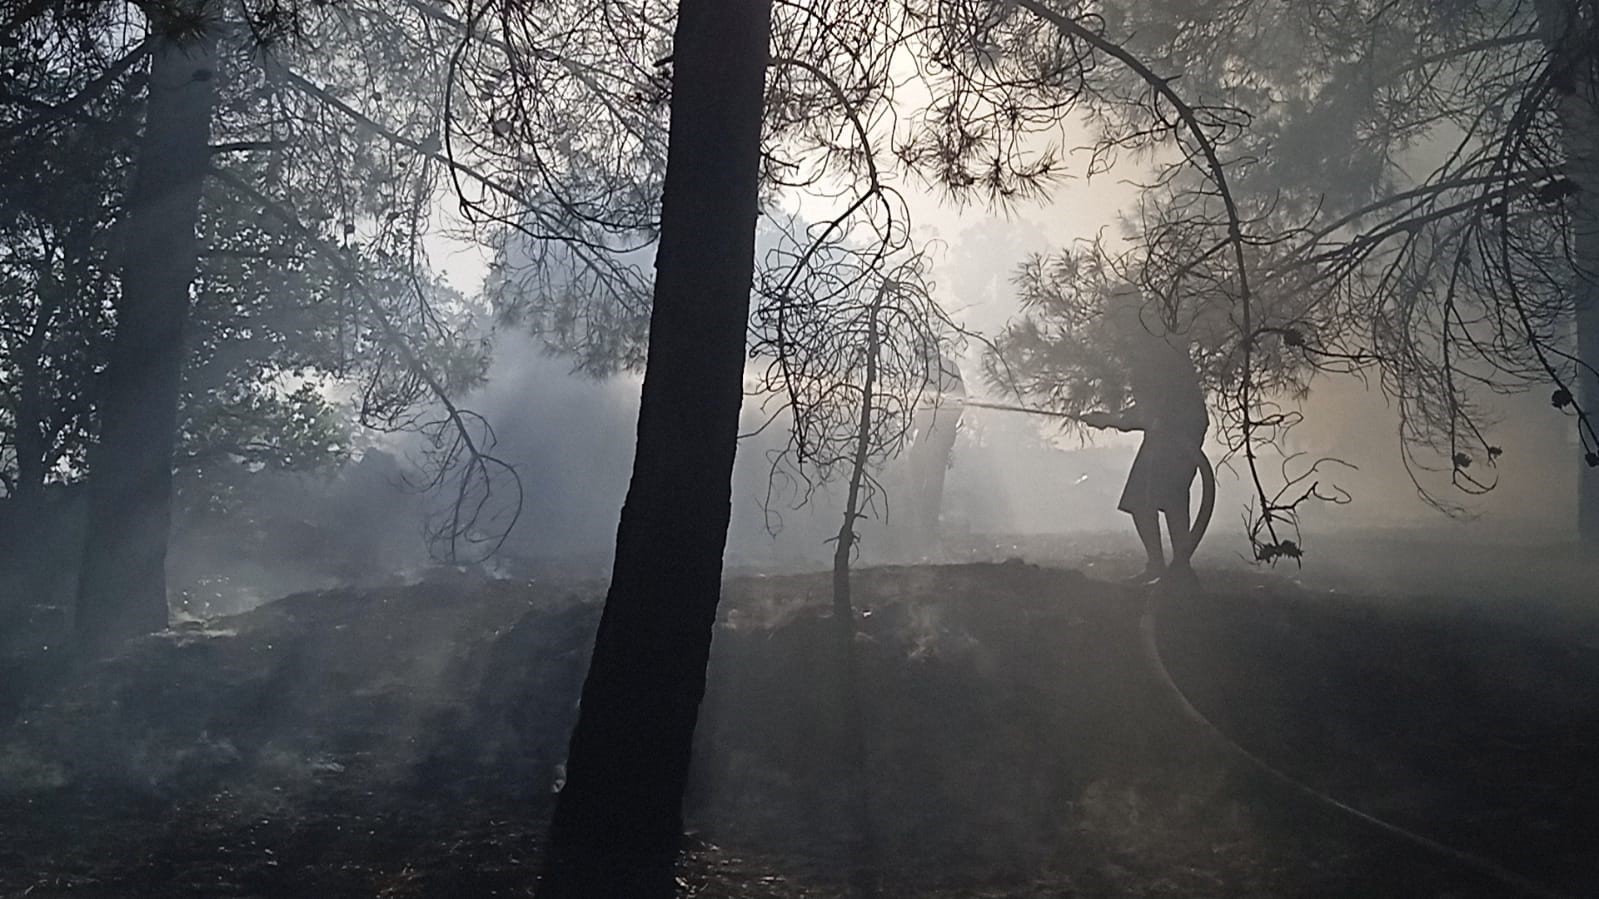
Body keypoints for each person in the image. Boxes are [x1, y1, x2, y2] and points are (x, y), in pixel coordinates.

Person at [1080, 304, 1207, 585]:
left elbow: (1150, 413)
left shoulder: (1151, 350)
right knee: (1158, 498)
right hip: (1173, 432)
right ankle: (1171, 567)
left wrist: (1111, 420)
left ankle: (1174, 568)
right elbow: (1148, 412)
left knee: (1158, 498)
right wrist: (1113, 418)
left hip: (1178, 433)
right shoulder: (1154, 343)